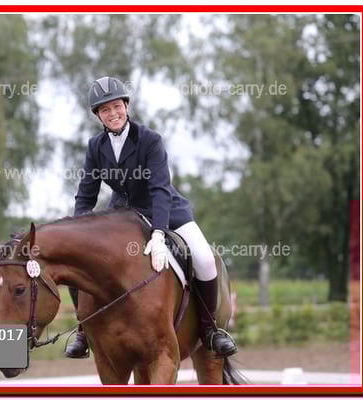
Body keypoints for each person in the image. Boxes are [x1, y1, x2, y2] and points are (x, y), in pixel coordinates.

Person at [65, 76, 238, 359]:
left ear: (126, 106)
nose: (113, 113)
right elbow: (86, 195)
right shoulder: (95, 146)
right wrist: (78, 232)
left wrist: (158, 233)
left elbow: (159, 189)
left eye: (117, 106)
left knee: (205, 259)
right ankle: (84, 330)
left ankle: (210, 330)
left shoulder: (149, 140)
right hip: (122, 214)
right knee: (80, 262)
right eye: (105, 109)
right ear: (98, 115)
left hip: (166, 209)